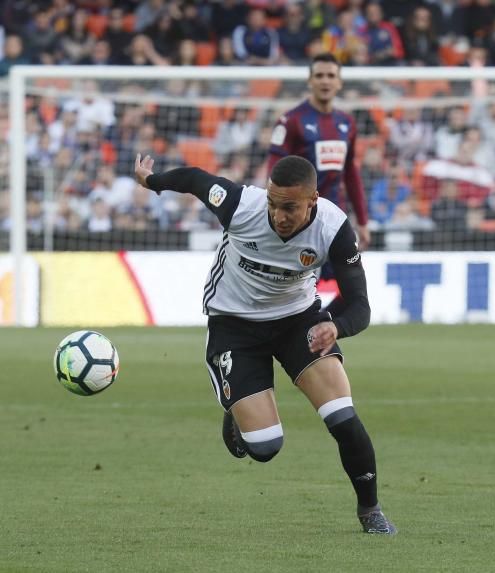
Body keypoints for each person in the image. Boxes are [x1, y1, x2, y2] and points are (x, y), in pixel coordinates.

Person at [132, 152, 395, 535]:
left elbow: (360, 305)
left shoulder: (334, 228)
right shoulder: (242, 205)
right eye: (274, 204)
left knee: (342, 416)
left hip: (297, 322)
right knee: (265, 447)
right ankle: (237, 411)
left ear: (313, 201)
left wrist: (335, 327)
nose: (279, 215)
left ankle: (370, 509)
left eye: (289, 207)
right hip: (235, 326)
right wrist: (151, 182)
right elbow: (194, 179)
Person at [268, 53, 371, 251]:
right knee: (304, 282)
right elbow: (274, 176)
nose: (325, 81)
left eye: (331, 76)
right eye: (320, 75)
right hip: (299, 224)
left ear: (339, 82)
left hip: (335, 219)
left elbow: (350, 174)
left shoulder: (346, 123)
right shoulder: (291, 121)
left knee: (341, 280)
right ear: (310, 80)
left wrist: (363, 221)